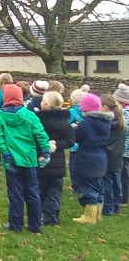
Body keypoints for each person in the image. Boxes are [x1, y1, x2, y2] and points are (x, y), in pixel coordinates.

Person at [0, 84, 51, 234]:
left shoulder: (0, 116)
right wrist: (45, 151)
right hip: (29, 158)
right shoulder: (29, 115)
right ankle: (35, 225)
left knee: (15, 193)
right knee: (32, 192)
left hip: (10, 159)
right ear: (20, 97)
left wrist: (4, 152)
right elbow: (41, 133)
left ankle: (16, 225)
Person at [36, 91, 75, 226]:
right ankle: (51, 217)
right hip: (57, 160)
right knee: (54, 190)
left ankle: (39, 214)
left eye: (43, 101)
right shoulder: (64, 121)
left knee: (40, 189)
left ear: (47, 105)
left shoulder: (38, 120)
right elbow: (70, 140)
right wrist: (58, 145)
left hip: (41, 158)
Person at [71, 93, 110, 224]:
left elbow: (77, 137)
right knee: (98, 186)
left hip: (87, 158)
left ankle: (89, 216)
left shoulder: (85, 123)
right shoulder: (106, 123)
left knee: (88, 186)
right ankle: (98, 213)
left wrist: (74, 129)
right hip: (101, 158)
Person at [100, 94, 125, 216]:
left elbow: (105, 139)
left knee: (107, 183)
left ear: (105, 107)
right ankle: (116, 207)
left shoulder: (108, 123)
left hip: (108, 155)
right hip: (117, 155)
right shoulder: (120, 120)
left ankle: (108, 208)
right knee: (117, 182)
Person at [67, 84, 90, 192]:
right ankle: (84, 184)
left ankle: (76, 186)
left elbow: (67, 124)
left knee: (74, 167)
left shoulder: (71, 112)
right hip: (85, 144)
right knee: (84, 166)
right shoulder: (87, 112)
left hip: (74, 144)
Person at [112, 83, 129, 206]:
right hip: (125, 148)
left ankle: (123, 198)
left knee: (123, 174)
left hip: (124, 148)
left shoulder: (124, 113)